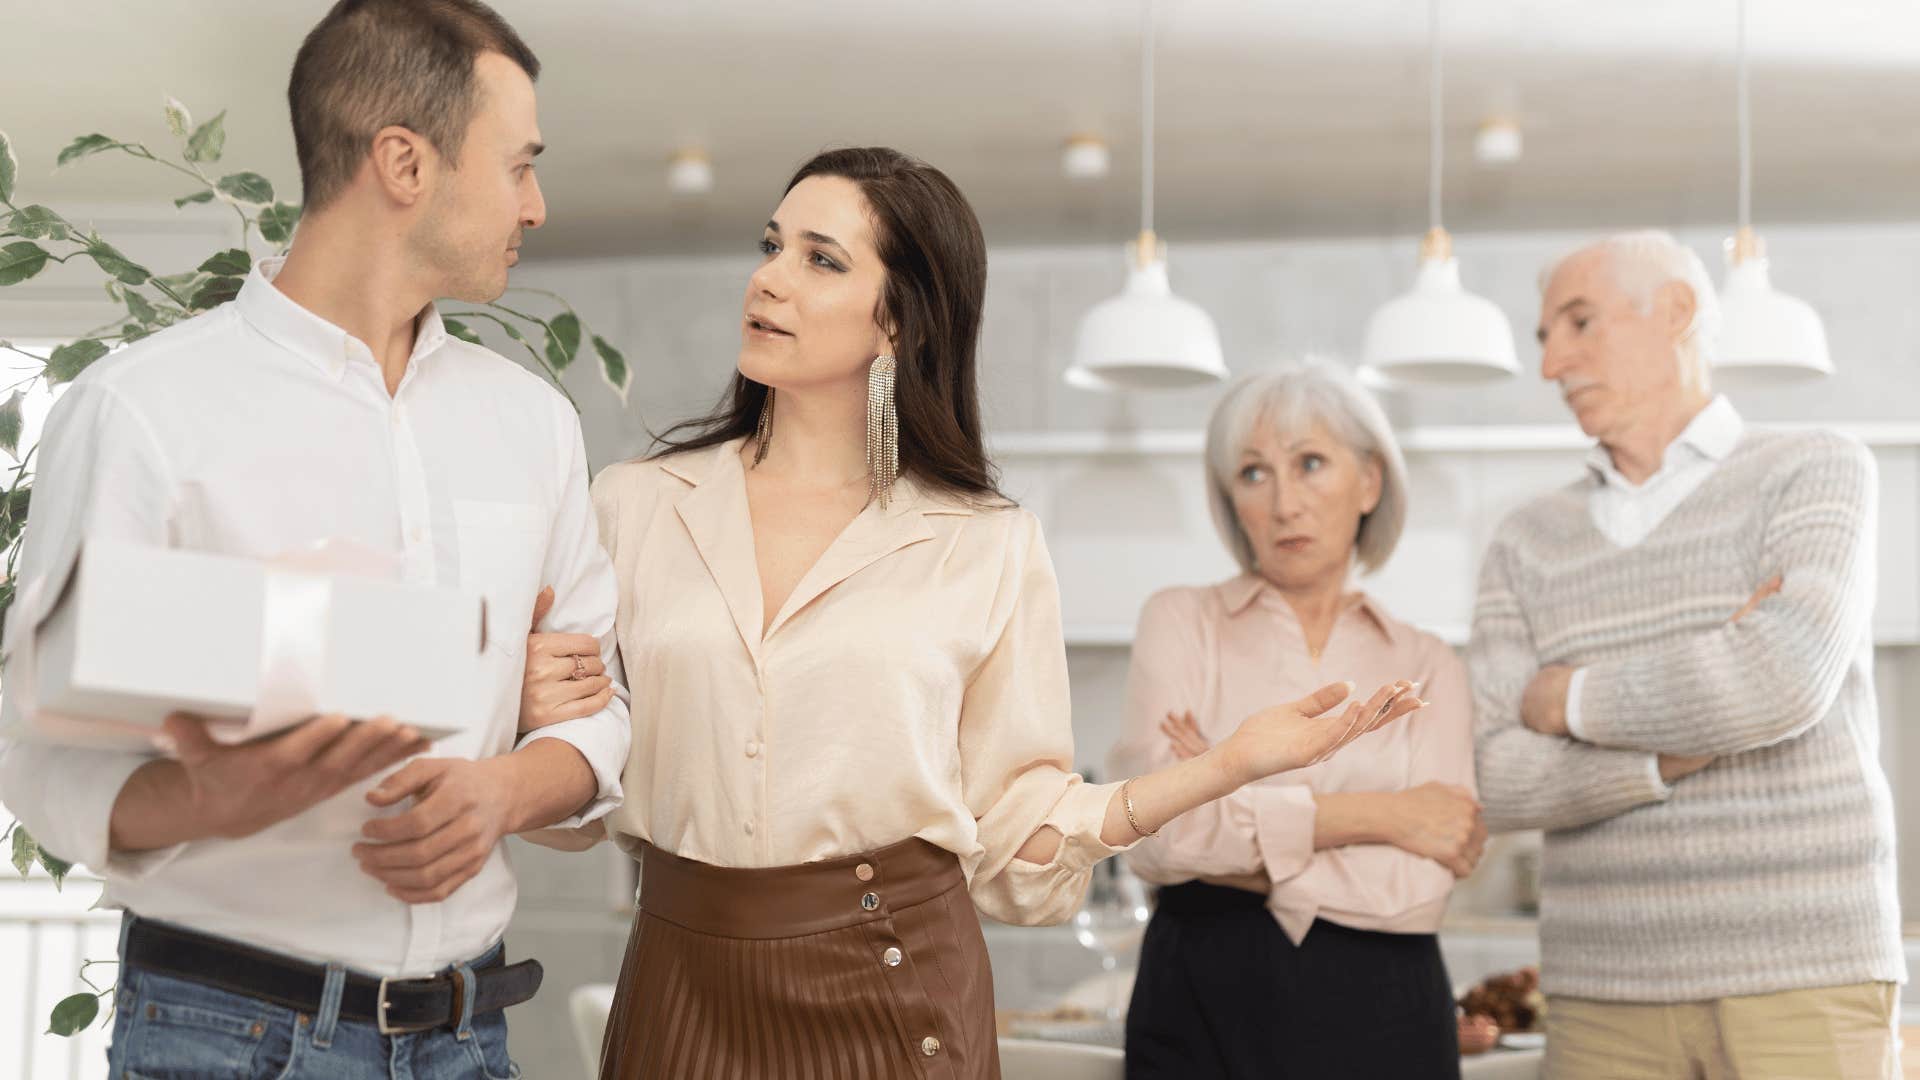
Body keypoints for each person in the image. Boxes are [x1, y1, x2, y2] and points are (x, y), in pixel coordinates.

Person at [517, 147, 1425, 1080]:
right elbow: (574, 809)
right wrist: (536, 721)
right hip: (680, 980)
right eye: (772, 245)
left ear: (899, 321)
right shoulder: (633, 505)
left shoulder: (987, 543)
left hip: (894, 986)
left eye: (821, 260)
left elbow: (1013, 843)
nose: (769, 278)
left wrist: (1229, 765)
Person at [0, 2, 630, 1076]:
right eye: (517, 164)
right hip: (227, 1036)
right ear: (403, 162)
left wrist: (501, 791)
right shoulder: (142, 412)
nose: (536, 203)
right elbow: (37, 753)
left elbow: (598, 705)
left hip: (469, 1038)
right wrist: (210, 797)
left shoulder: (532, 425)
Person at [1470, 230, 1903, 1079]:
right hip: (1599, 993)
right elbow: (1504, 776)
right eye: (1543, 337)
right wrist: (1677, 749)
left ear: (1676, 312)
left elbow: (1782, 677)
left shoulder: (1814, 470)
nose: (1553, 363)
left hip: (1803, 974)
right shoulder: (1525, 541)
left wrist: (1571, 703)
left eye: (1579, 323)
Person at [1108, 360, 1480, 1080]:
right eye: (1254, 473)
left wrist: (1223, 802)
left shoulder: (1427, 660)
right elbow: (1150, 838)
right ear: (1230, 498)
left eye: (1311, 464)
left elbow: (1421, 886)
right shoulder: (1182, 622)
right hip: (1201, 999)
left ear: (1368, 483)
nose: (1284, 504)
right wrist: (1382, 816)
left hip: (1388, 1007)